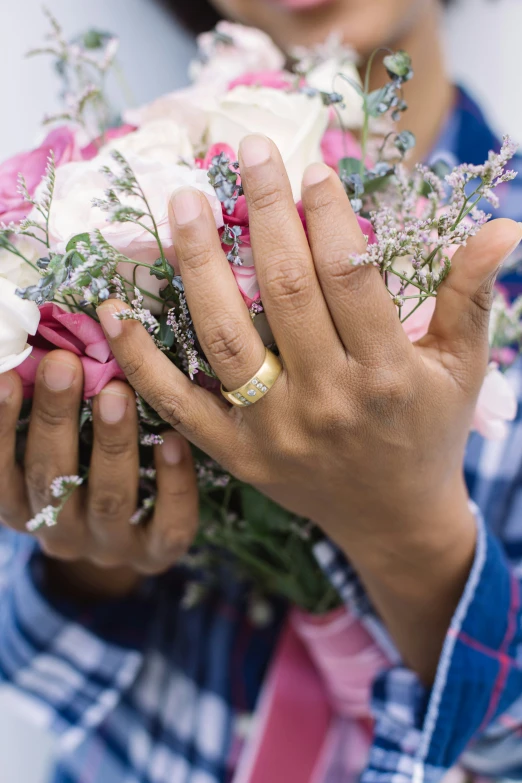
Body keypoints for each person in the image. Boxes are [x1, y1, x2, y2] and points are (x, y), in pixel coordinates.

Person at [1, 1, 522, 782]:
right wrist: (93, 558)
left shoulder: (494, 247)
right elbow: (35, 672)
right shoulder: (126, 189)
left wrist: (409, 532)